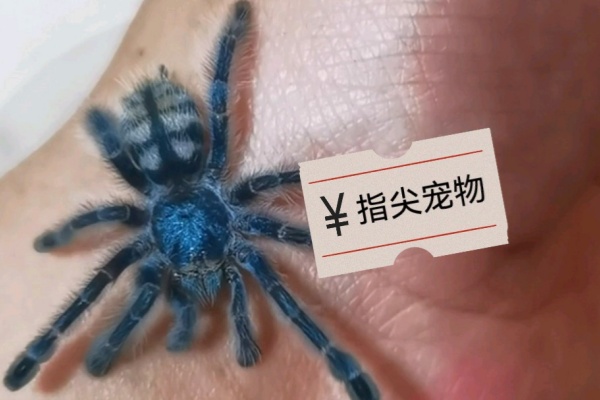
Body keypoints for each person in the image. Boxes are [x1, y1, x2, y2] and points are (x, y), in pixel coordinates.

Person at [1, 0, 599, 399]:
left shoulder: (216, 211)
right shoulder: (186, 224)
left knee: (255, 279)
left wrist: (425, 202)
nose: (203, 273)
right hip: (168, 149)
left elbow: (301, 203)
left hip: (164, 147)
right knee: (154, 282)